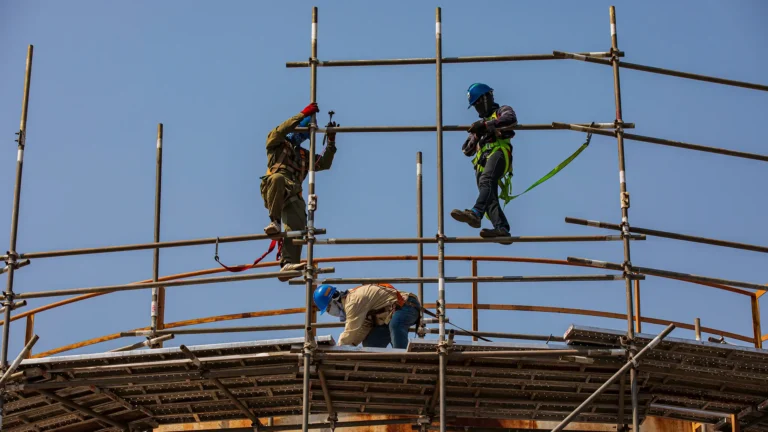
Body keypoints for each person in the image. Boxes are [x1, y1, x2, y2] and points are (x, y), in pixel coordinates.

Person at [260, 103, 338, 280]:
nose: (300, 136)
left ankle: (288, 264)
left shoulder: (303, 155)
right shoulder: (276, 143)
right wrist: (302, 114)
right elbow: (280, 130)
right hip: (274, 190)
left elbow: (323, 163)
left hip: (293, 196)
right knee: (278, 178)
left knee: (298, 222)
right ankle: (275, 221)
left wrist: (331, 142)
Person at [451, 83, 517, 240]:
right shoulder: (478, 127)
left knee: (487, 182)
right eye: (475, 106)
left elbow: (510, 119)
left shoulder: (501, 111)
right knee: (489, 195)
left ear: (486, 98)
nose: (477, 109)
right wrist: (478, 134)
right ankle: (501, 228)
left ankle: (476, 213)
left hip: (498, 153)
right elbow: (466, 149)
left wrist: (488, 126)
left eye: (478, 104)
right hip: (482, 162)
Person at [313, 283, 421, 349]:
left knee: (395, 325)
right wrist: (351, 345)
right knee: (371, 344)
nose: (329, 312)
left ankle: (403, 360)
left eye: (328, 308)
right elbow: (363, 327)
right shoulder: (354, 306)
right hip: (387, 318)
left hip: (407, 306)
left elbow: (351, 330)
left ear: (335, 298)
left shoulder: (353, 301)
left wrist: (339, 348)